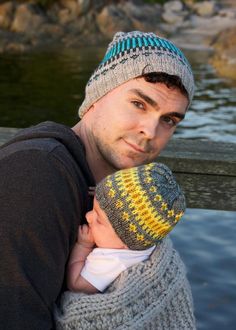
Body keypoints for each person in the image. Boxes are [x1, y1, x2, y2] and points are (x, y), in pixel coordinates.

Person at [0, 30, 195, 329]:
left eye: (168, 120)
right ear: (96, 96)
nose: (151, 131)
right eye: (139, 104)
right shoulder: (35, 177)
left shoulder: (121, 191)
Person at [67, 162, 186, 294]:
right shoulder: (143, 237)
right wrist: (104, 195)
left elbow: (76, 285)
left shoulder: (112, 262)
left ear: (126, 241)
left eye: (99, 220)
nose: (88, 216)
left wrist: (83, 246)